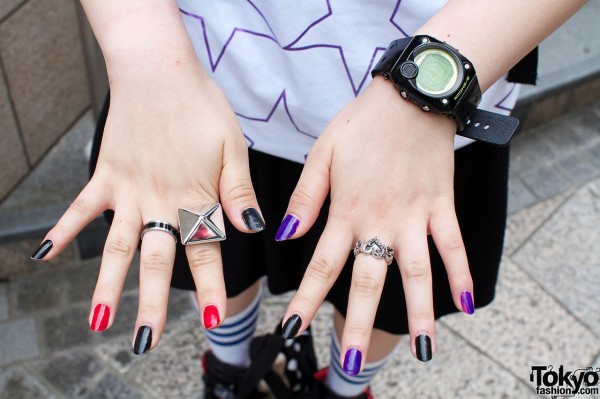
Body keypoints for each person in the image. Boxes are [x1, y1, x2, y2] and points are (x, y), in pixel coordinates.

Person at [31, 1, 586, 398]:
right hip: (205, 99)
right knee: (216, 259)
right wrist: (141, 49)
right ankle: (227, 371)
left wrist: (430, 83)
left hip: (429, 121)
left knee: (385, 289)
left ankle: (343, 390)